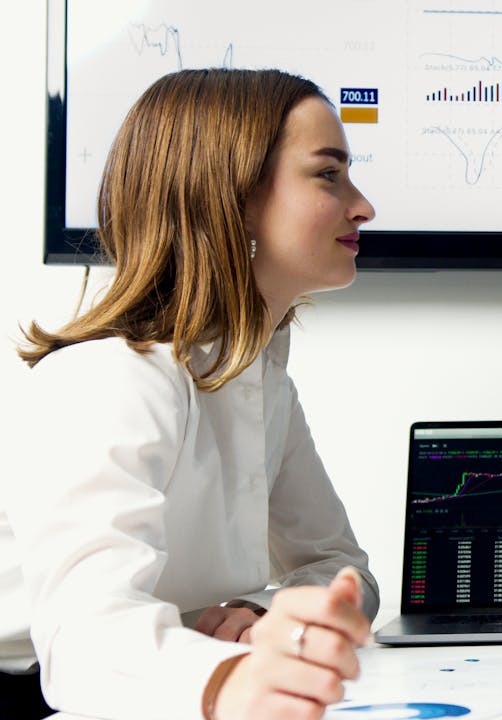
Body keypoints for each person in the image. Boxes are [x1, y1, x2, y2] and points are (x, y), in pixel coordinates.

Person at [0, 68, 380, 719]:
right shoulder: (112, 377)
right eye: (328, 174)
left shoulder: (261, 381)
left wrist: (257, 617)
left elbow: (345, 572)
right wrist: (229, 678)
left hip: (159, 680)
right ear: (230, 197)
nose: (362, 205)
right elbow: (83, 642)